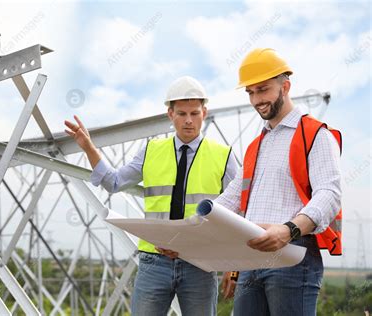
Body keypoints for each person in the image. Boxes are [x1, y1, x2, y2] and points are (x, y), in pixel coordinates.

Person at [64, 76, 238, 315]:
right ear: (170, 114)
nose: (188, 121)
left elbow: (238, 210)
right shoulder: (151, 151)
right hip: (154, 260)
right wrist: (88, 148)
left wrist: (232, 265)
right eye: (182, 114)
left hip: (200, 262)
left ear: (204, 113)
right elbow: (114, 182)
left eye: (195, 113)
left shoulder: (224, 156)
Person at [214, 48, 343, 315]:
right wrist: (186, 233)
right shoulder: (255, 147)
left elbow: (329, 194)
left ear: (285, 86)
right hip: (250, 260)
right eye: (250, 92)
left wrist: (288, 230)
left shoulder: (315, 135)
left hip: (293, 257)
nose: (256, 100)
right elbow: (230, 201)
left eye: (263, 90)